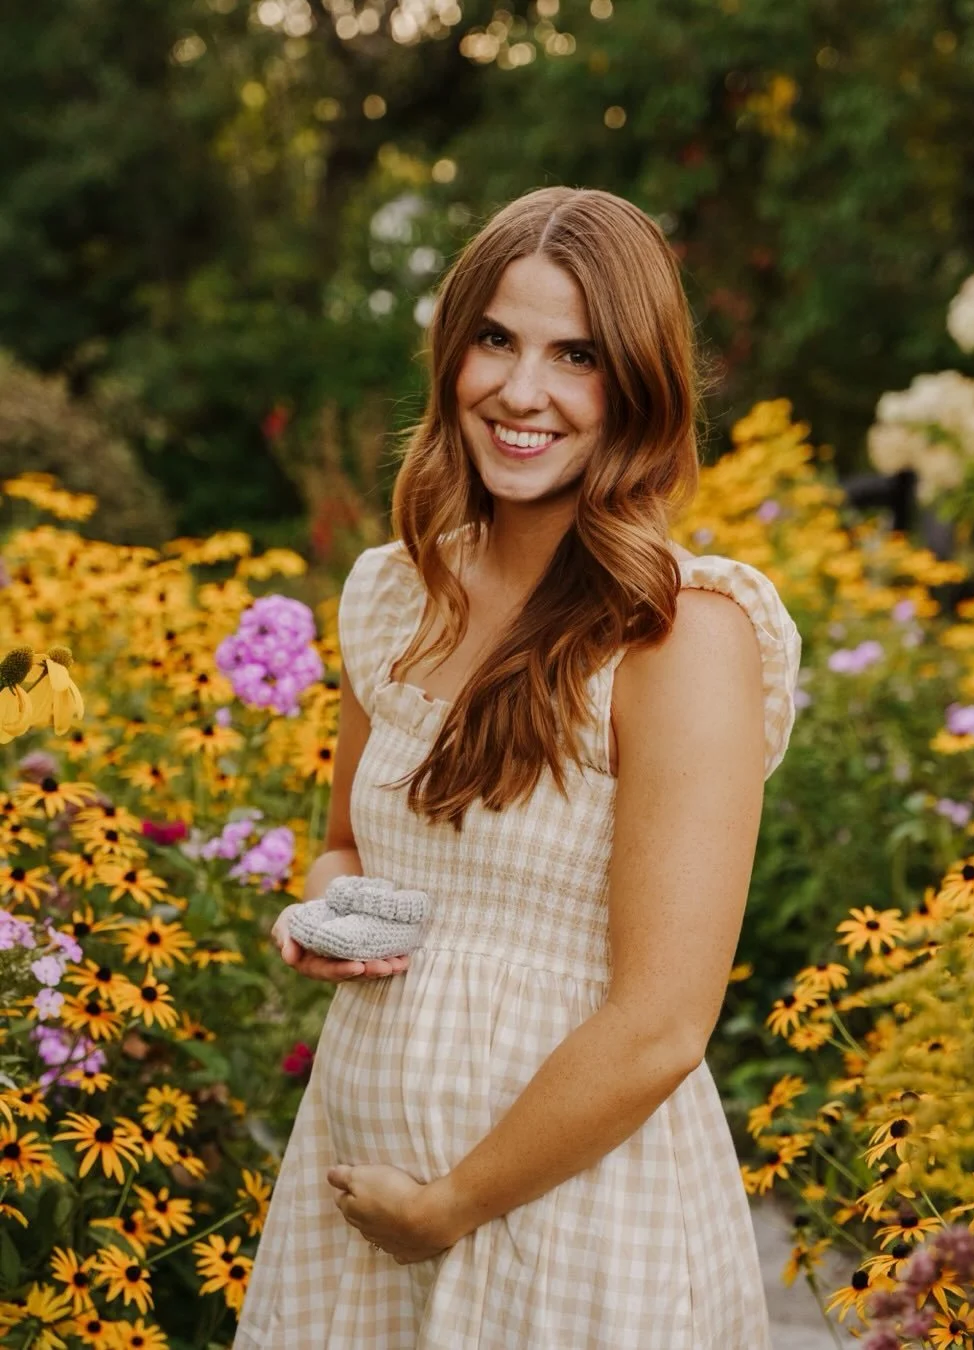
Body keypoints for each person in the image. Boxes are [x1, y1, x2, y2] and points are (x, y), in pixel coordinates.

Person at [234, 185, 802, 1349]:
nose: (521, 391)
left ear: (637, 387)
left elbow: (662, 1022)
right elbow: (350, 838)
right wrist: (335, 912)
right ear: (454, 354)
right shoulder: (399, 593)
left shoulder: (683, 635)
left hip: (572, 1221)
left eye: (575, 355)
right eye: (495, 338)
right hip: (359, 1208)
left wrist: (452, 1205)